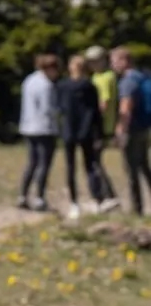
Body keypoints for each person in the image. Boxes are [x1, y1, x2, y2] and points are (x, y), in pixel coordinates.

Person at [58, 55, 110, 220]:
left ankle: (74, 203)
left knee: (70, 167)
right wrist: (100, 133)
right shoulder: (90, 86)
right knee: (90, 166)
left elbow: (60, 108)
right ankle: (96, 199)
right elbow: (96, 113)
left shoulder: (62, 86)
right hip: (86, 131)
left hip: (69, 130)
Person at [17, 54, 61, 212]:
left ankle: (22, 195)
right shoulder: (46, 85)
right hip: (44, 128)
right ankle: (39, 197)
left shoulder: (29, 80)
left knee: (32, 162)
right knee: (44, 164)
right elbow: (48, 109)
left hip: (28, 127)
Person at [112, 47, 151, 216]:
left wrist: (120, 130)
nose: (113, 65)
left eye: (114, 61)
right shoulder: (143, 76)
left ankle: (137, 208)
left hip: (132, 129)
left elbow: (125, 108)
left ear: (123, 61)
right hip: (145, 127)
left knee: (131, 170)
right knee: (144, 166)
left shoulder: (127, 81)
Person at [84, 46, 120, 212]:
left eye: (95, 61)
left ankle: (107, 196)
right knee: (95, 162)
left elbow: (104, 103)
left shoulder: (106, 78)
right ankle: (106, 195)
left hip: (102, 127)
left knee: (94, 163)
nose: (93, 64)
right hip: (98, 126)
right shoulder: (96, 76)